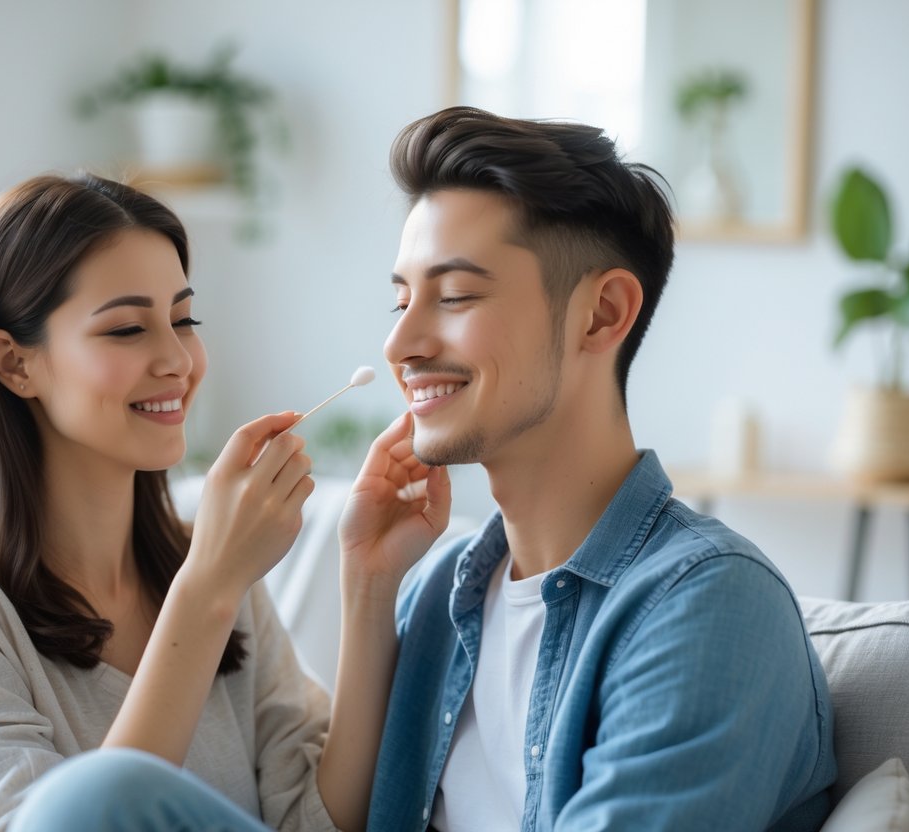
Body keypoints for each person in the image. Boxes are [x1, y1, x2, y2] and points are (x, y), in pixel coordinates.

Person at [0, 173, 414, 832]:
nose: (177, 359)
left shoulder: (205, 567)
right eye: (124, 330)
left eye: (183, 320)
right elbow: (75, 821)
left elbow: (317, 822)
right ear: (14, 365)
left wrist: (369, 581)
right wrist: (207, 588)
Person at [339, 107, 837, 831]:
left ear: (601, 314)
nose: (400, 342)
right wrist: (366, 586)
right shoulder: (436, 595)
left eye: (453, 297)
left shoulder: (709, 605)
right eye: (400, 299)